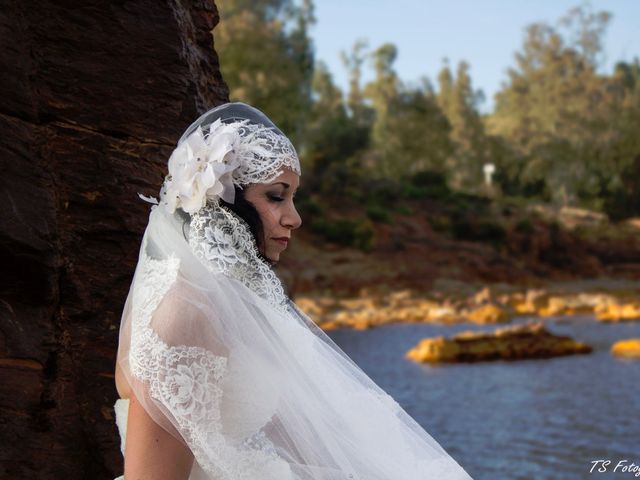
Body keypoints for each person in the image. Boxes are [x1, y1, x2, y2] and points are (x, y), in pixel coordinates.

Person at [114, 102, 472, 479]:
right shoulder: (185, 314)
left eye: (292, 197)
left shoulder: (226, 302)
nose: (294, 218)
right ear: (222, 201)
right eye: (276, 196)